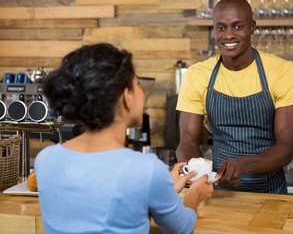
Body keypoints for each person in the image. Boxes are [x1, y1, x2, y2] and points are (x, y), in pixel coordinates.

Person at [34, 43, 213, 233]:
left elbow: (107, 202)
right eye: (137, 84)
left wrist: (163, 189)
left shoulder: (45, 159)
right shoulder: (145, 170)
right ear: (127, 96)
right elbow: (182, 228)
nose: (141, 92)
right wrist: (194, 194)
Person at [175, 0, 293, 194]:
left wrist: (243, 165)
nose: (228, 35)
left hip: (270, 195)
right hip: (217, 193)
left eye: (238, 27)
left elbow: (286, 148)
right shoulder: (198, 75)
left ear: (252, 27)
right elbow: (187, 141)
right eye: (221, 28)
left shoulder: (283, 72)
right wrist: (197, 172)